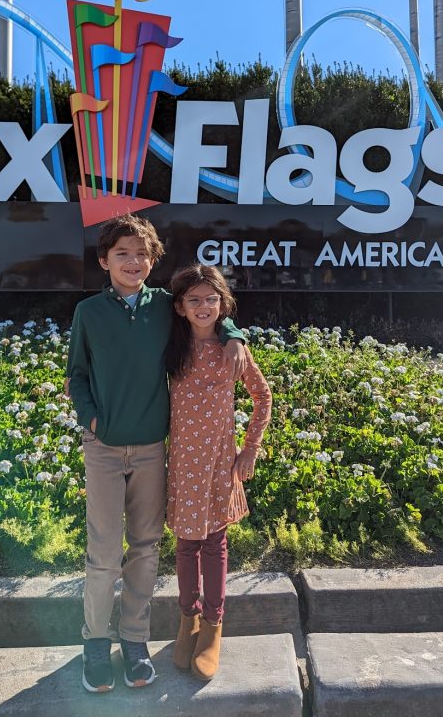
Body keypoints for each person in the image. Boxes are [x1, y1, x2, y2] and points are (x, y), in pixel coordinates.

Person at [67, 215, 247, 694]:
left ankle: (134, 643)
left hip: (152, 449)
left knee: (145, 550)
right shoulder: (88, 313)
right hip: (104, 448)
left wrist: (234, 332)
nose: (133, 262)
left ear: (152, 262)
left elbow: (206, 307)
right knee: (104, 554)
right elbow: (76, 376)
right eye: (122, 253)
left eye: (142, 254)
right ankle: (94, 644)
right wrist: (92, 420)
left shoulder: (166, 307)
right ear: (104, 260)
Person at [166, 263, 272, 681]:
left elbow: (263, 397)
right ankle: (187, 622)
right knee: (185, 544)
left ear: (223, 303)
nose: (203, 306)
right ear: (180, 307)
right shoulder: (170, 346)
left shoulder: (235, 351)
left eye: (211, 299)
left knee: (214, 543)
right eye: (194, 299)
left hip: (217, 464)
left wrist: (249, 451)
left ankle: (213, 626)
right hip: (180, 464)